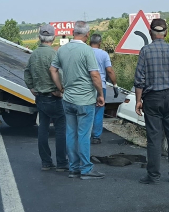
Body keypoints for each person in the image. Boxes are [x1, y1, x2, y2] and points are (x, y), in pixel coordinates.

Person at [134, 18, 169, 184]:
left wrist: (138, 100)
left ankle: (153, 176)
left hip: (152, 99)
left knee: (154, 138)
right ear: (166, 33)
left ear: (151, 33)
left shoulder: (145, 51)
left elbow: (139, 79)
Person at [50, 21, 105, 180]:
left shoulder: (62, 49)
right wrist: (100, 94)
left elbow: (53, 69)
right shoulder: (88, 51)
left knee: (71, 133)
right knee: (83, 135)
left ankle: (73, 168)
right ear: (87, 35)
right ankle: (86, 169)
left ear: (73, 32)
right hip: (85, 99)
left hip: (68, 99)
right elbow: (95, 75)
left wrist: (60, 88)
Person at [24, 24, 68, 172]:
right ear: (54, 38)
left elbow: (27, 72)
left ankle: (46, 162)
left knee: (43, 128)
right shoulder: (54, 54)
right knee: (61, 129)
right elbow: (59, 74)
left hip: (40, 97)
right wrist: (60, 90)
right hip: (54, 97)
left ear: (39, 38)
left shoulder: (34, 54)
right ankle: (62, 162)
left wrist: (31, 88)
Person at [89, 34, 118, 144]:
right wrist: (115, 85)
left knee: (88, 111)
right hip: (101, 86)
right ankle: (96, 136)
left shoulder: (85, 52)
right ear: (100, 42)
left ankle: (85, 135)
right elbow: (109, 70)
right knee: (99, 111)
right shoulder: (103, 54)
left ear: (89, 42)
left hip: (87, 86)